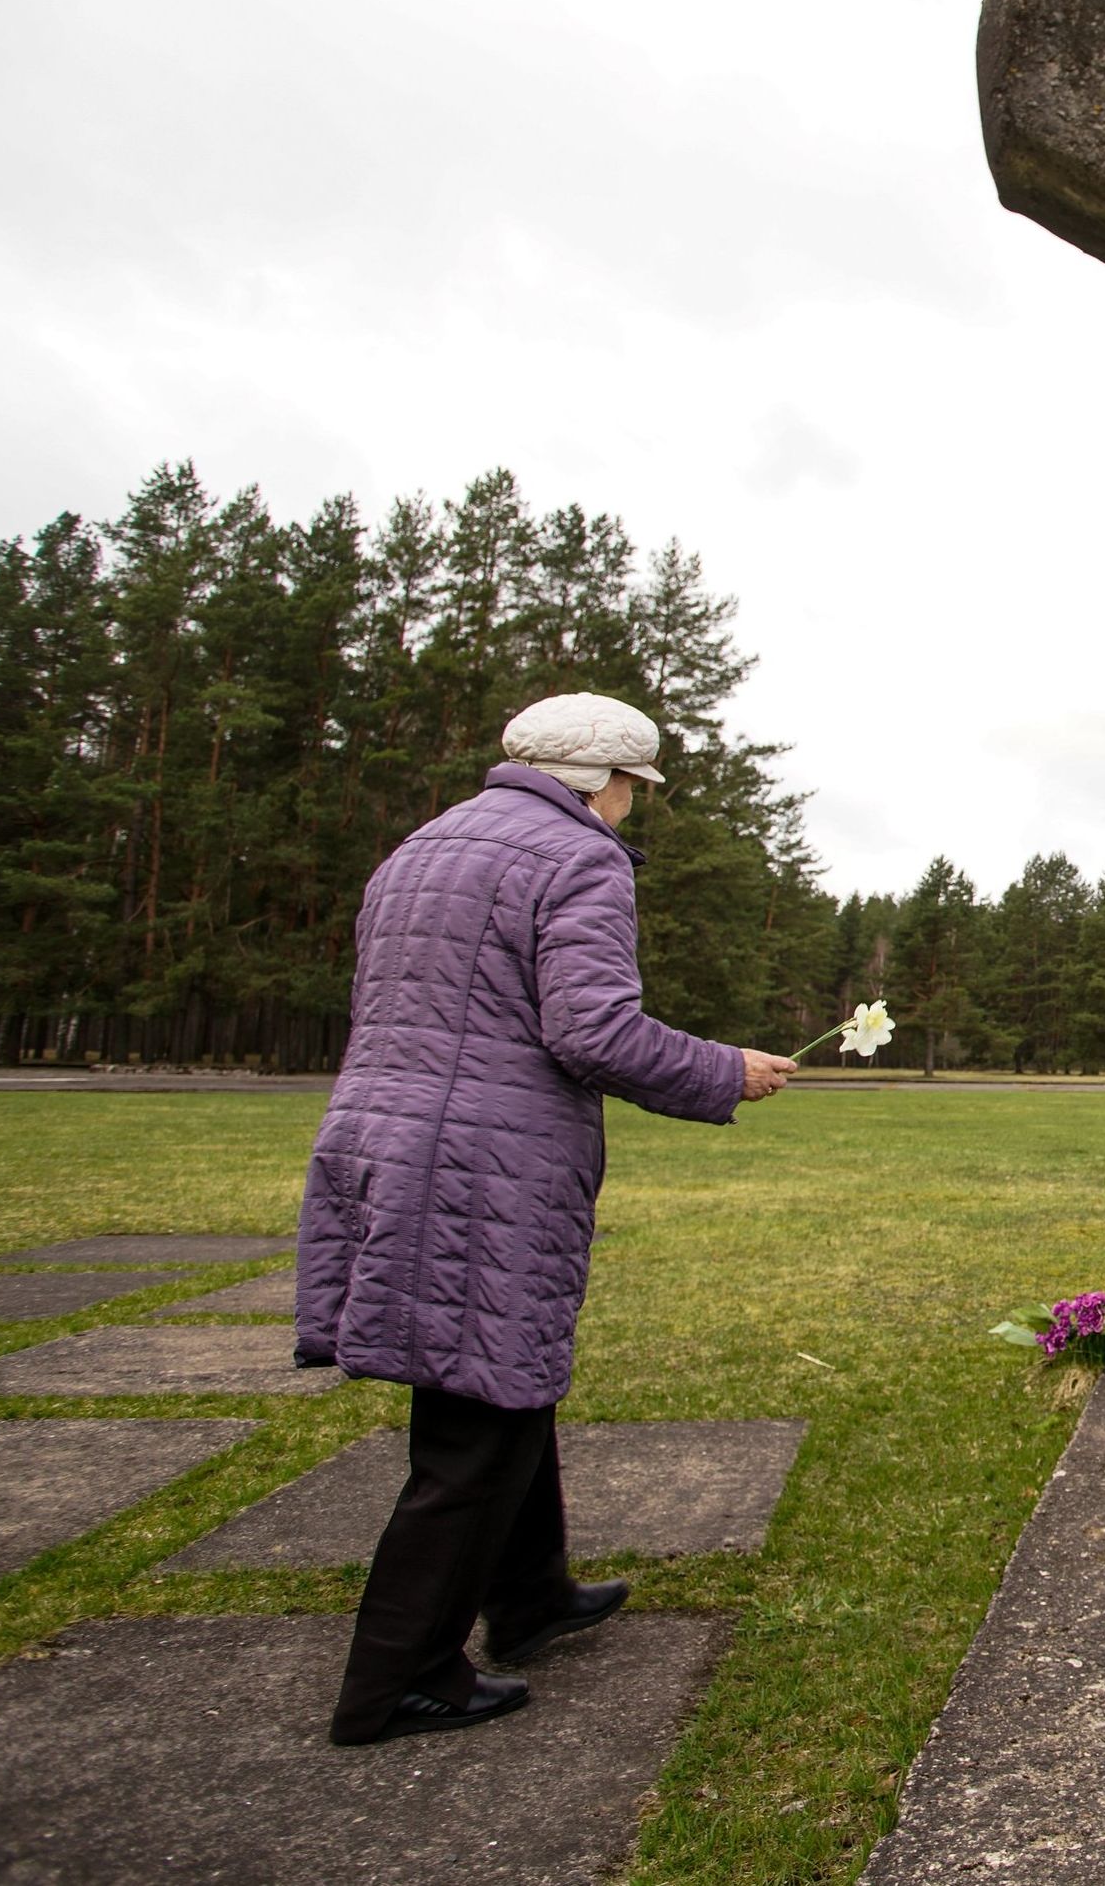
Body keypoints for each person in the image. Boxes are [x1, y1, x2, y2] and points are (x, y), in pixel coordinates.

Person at [296, 690, 802, 1745]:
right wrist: (725, 1071)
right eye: (634, 791)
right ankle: (397, 1677)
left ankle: (530, 1596)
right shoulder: (579, 858)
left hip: (381, 1141)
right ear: (607, 782)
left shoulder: (423, 847)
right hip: (480, 1160)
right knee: (473, 1427)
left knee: (499, 1374)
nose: (632, 812)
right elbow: (591, 1028)